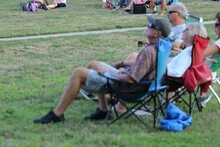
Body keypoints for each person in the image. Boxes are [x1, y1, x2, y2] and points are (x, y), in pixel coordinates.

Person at [33, 17, 172, 124]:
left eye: (150, 26)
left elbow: (132, 79)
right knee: (94, 64)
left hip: (127, 87)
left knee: (79, 73)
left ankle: (57, 114)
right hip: (134, 82)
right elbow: (140, 72)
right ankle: (103, 110)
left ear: (157, 33)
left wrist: (108, 73)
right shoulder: (159, 48)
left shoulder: (148, 52)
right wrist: (123, 67)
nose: (147, 27)